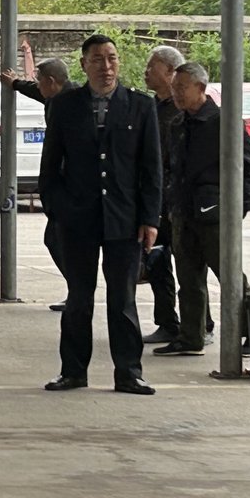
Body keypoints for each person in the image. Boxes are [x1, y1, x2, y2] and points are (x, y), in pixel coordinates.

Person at [39, 33, 161, 395]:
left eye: (112, 59)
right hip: (77, 219)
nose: (106, 67)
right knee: (79, 297)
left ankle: (129, 372)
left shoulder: (141, 106)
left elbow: (151, 169)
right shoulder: (66, 107)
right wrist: (58, 210)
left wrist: (150, 218)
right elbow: (50, 168)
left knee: (122, 299)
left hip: (124, 218)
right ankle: (73, 371)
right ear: (84, 65)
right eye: (97, 60)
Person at [154, 62, 250, 357]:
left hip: (215, 214)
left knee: (229, 277)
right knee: (188, 279)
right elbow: (171, 167)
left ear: (201, 88)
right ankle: (191, 337)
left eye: (182, 87)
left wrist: (240, 208)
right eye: (174, 87)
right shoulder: (178, 123)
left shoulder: (222, 122)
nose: (176, 93)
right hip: (183, 212)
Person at [141, 45, 213, 347]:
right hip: (163, 201)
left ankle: (211, 325)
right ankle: (171, 324)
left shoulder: (198, 115)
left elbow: (246, 168)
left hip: (197, 206)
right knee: (162, 263)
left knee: (206, 267)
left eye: (152, 66)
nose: (146, 71)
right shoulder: (156, 110)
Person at [2, 58, 77, 312]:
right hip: (61, 186)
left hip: (73, 187)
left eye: (39, 80)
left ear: (51, 81)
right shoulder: (56, 97)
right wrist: (15, 84)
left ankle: (79, 293)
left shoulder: (76, 103)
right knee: (57, 239)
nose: (37, 85)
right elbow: (36, 91)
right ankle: (77, 291)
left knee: (61, 239)